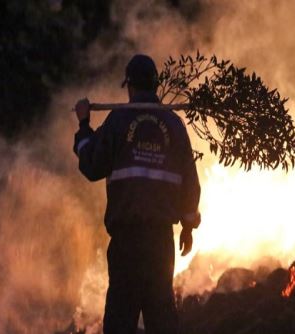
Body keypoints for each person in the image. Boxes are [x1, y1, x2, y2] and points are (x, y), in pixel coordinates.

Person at [73, 54, 201, 334]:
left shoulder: (118, 122)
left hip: (126, 242)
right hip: (160, 242)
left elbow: (91, 165)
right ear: (156, 85)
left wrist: (83, 125)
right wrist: (188, 226)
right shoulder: (175, 126)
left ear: (129, 86)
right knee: (161, 319)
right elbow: (190, 184)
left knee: (120, 320)